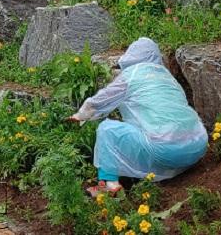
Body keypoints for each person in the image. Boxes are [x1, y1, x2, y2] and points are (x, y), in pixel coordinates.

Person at [68, 37, 208, 197]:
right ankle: (178, 165)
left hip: (166, 150)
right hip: (198, 146)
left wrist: (79, 115)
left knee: (107, 130)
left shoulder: (131, 75)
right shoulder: (168, 78)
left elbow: (98, 103)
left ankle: (108, 185)